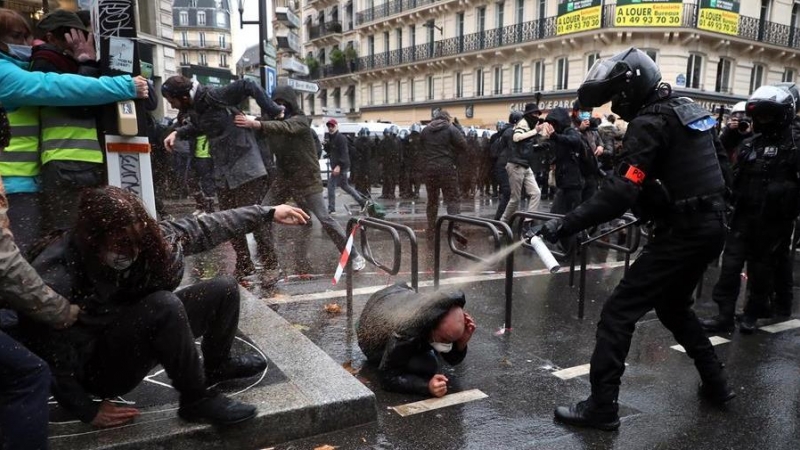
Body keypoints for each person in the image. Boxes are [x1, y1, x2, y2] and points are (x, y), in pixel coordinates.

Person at [534, 47, 735, 431]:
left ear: (633, 87)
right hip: (710, 226)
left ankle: (601, 408)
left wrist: (564, 225)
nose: (617, 106)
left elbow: (620, 193)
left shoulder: (650, 122)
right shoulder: (689, 110)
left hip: (683, 233)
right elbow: (723, 172)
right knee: (674, 307)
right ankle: (717, 383)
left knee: (617, 314)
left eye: (617, 97)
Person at [17, 186, 309, 428]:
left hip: (133, 332)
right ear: (94, 239)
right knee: (164, 304)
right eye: (121, 245)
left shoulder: (147, 237)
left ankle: (218, 365)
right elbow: (43, 349)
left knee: (223, 288)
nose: (131, 252)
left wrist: (266, 213)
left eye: (137, 242)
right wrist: (84, 408)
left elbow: (206, 226)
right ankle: (196, 401)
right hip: (97, 367)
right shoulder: (57, 276)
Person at [234, 85, 366, 282]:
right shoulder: (271, 122)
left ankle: (354, 255)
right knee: (261, 213)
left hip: (306, 178)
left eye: (284, 104)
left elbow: (285, 127)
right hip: (284, 179)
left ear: (291, 104)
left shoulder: (301, 120)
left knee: (324, 218)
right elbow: (258, 128)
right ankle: (268, 259)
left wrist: (257, 124)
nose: (281, 107)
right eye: (276, 104)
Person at [161, 75, 283, 280]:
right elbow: (199, 127)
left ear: (182, 96)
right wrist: (177, 133)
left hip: (246, 166)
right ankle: (245, 264)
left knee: (254, 216)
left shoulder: (214, 95)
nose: (171, 105)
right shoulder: (197, 107)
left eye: (171, 100)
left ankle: (271, 265)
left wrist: (273, 110)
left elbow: (248, 84)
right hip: (223, 171)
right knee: (228, 219)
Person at [700, 84, 800, 333]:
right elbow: (728, 169)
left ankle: (752, 314)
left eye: (768, 115)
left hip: (774, 220)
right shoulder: (750, 144)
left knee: (761, 269)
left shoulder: (795, 145)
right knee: (730, 266)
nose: (763, 121)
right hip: (743, 216)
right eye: (759, 116)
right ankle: (724, 314)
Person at [356, 283, 476, 397]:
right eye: (444, 339)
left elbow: (451, 358)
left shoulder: (434, 309)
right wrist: (426, 386)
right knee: (427, 365)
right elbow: (388, 377)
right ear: (432, 326)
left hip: (393, 297)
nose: (447, 345)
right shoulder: (406, 332)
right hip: (372, 335)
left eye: (451, 341)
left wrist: (461, 343)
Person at [420, 110, 467, 236]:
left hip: (430, 169)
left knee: (432, 200)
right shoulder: (451, 129)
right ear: (447, 118)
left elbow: (421, 149)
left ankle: (431, 227)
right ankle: (455, 227)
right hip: (447, 168)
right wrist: (460, 129)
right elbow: (463, 145)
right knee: (452, 199)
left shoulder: (425, 130)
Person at [500, 103, 543, 226]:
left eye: (538, 114)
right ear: (529, 114)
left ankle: (528, 222)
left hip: (524, 164)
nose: (537, 116)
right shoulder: (523, 123)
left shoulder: (528, 124)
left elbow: (525, 145)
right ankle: (502, 226)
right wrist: (535, 131)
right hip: (516, 165)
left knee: (536, 193)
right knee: (515, 199)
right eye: (535, 114)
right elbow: (517, 137)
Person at [325, 118, 369, 214]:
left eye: (332, 126)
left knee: (331, 186)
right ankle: (362, 201)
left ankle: (331, 208)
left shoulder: (340, 138)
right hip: (339, 166)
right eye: (329, 126)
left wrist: (339, 166)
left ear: (336, 126)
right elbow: (334, 152)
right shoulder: (332, 138)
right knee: (345, 186)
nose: (330, 128)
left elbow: (344, 153)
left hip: (341, 166)